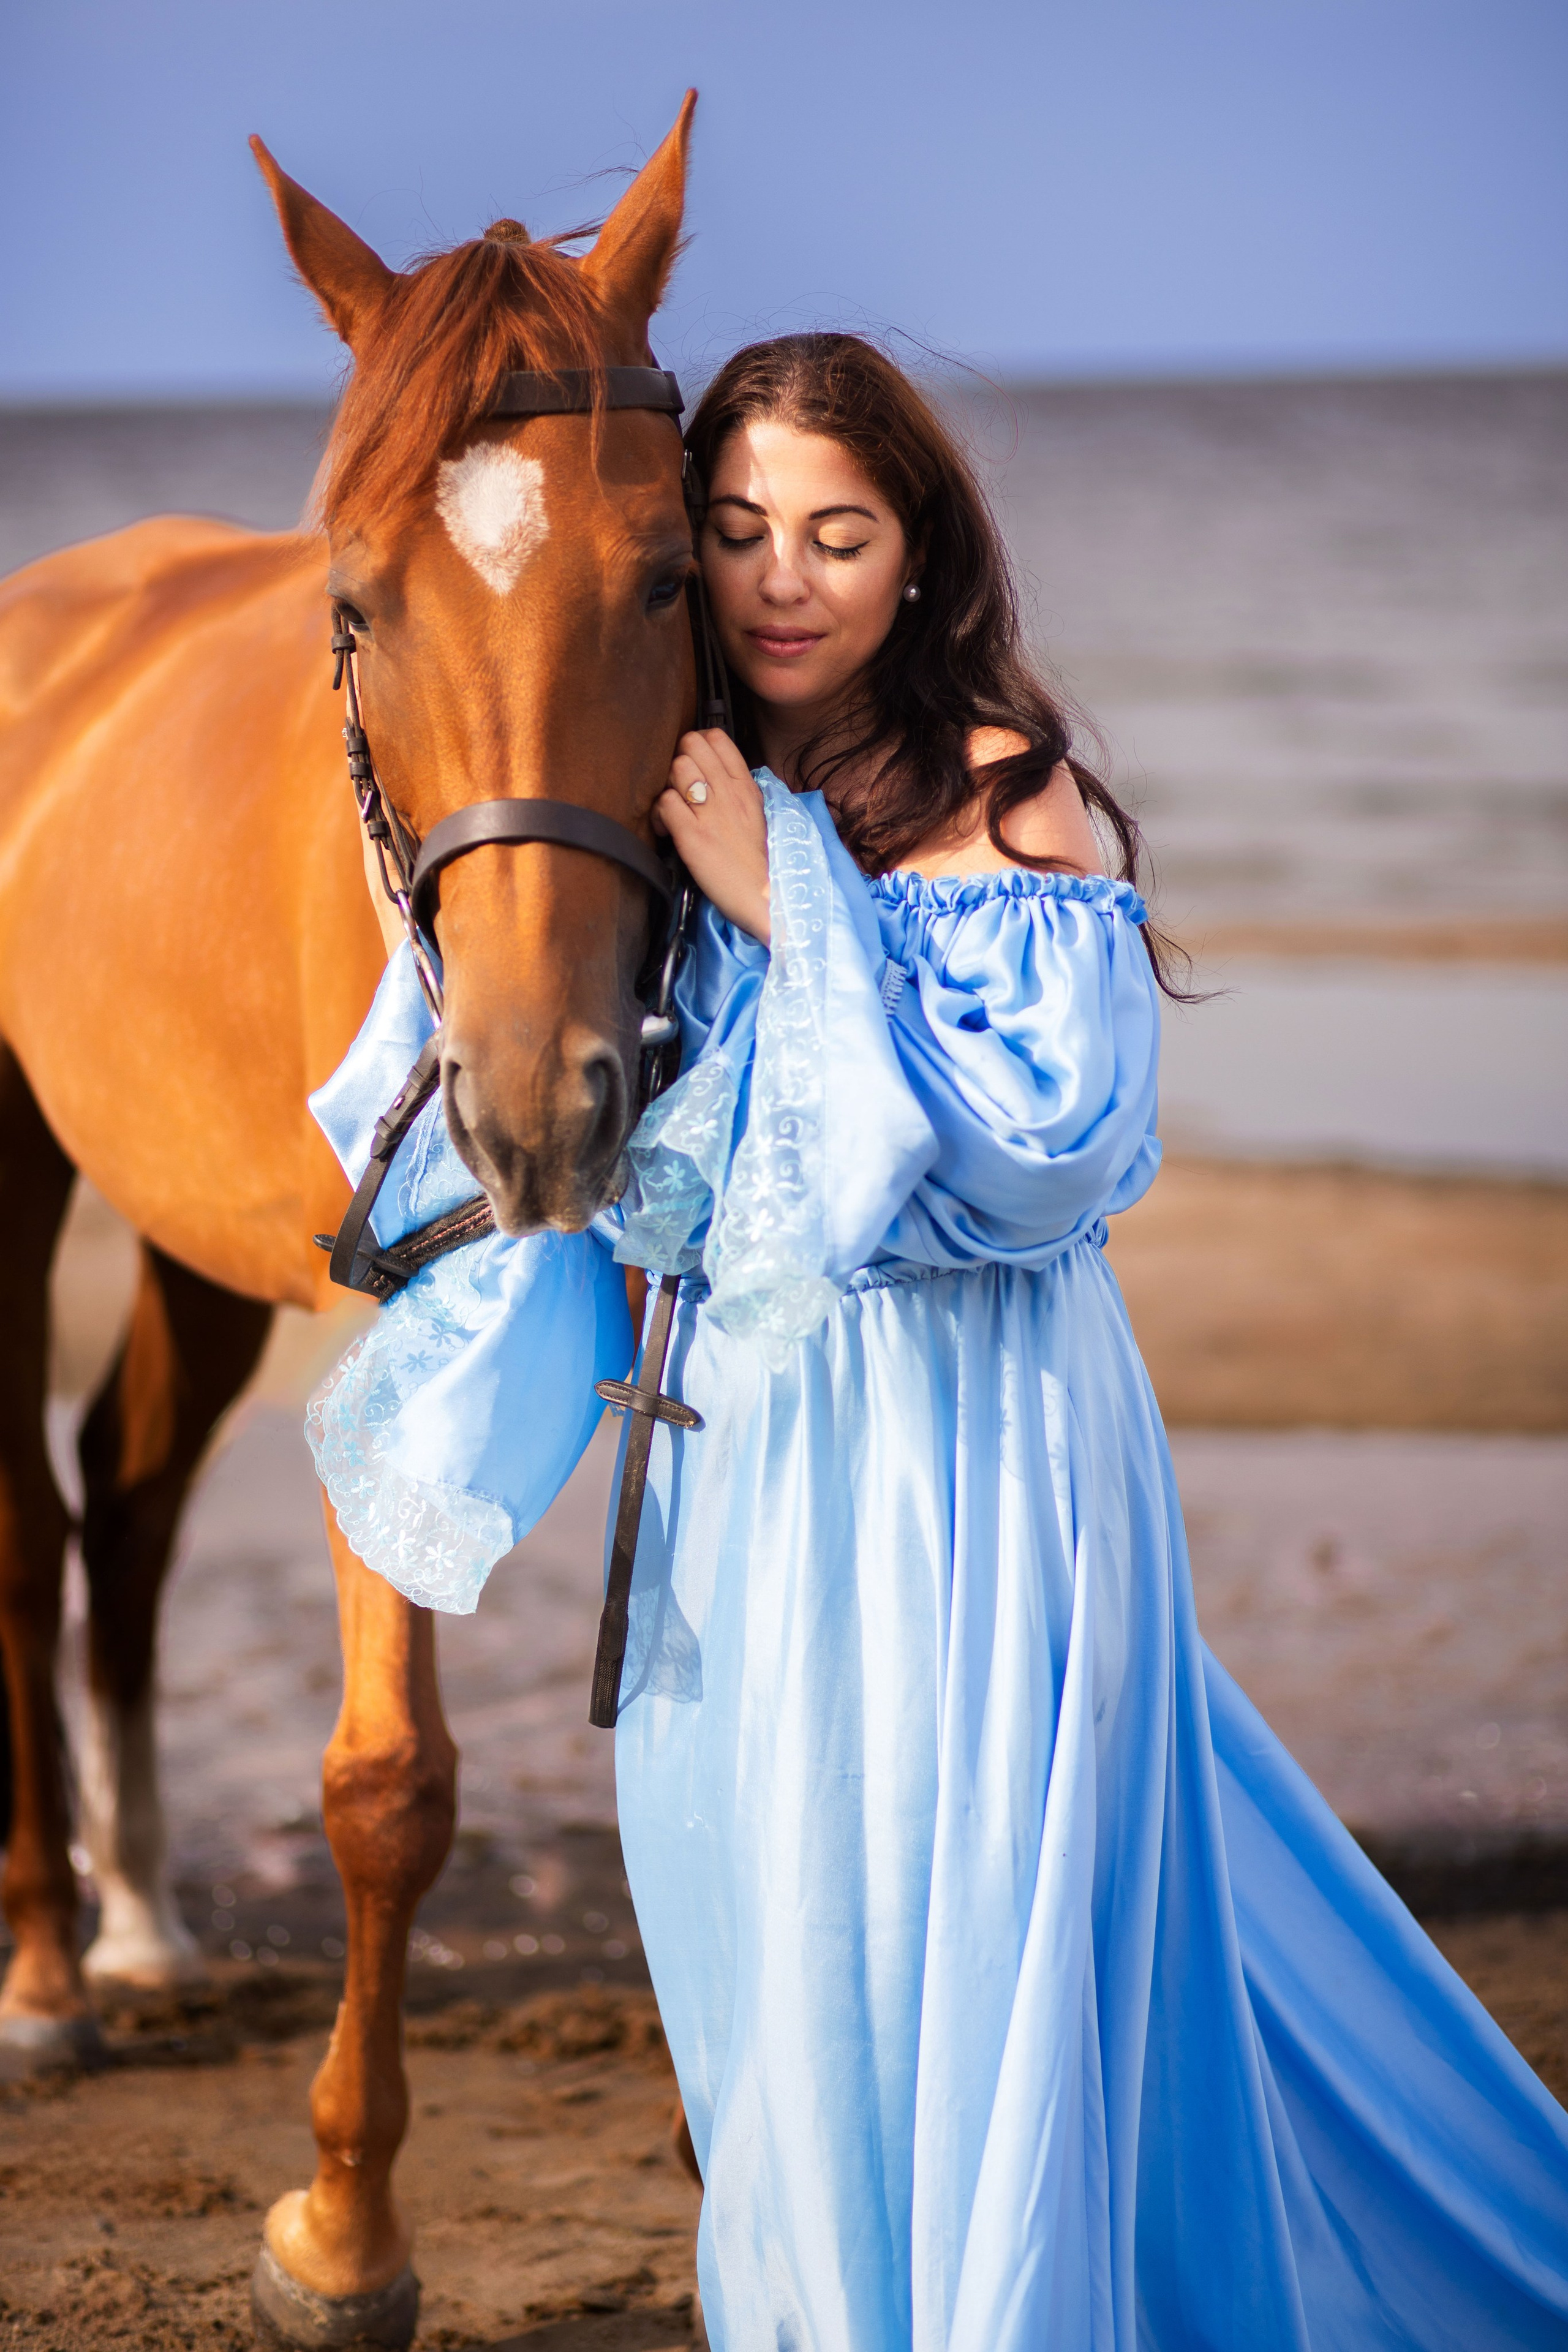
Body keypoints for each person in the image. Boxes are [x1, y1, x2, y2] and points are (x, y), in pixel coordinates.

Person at [307, 333, 1568, 2350]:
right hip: (755, 1467)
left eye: (837, 532)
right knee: (777, 1935)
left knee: (968, 1920)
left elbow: (1036, 1167)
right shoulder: (690, 789)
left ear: (919, 552)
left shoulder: (1005, 797)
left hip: (967, 1455)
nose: (784, 580)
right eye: (736, 535)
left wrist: (791, 897)